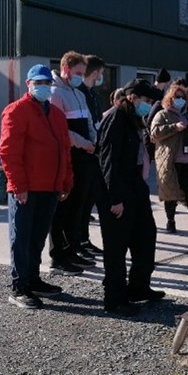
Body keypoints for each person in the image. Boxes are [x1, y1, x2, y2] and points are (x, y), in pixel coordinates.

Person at [0, 64, 74, 309]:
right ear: (29, 84)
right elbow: (9, 152)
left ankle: (33, 278)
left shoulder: (57, 114)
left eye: (47, 83)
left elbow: (64, 150)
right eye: (38, 83)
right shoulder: (16, 111)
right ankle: (19, 286)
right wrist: (18, 184)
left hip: (50, 188)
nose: (43, 87)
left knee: (37, 237)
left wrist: (65, 181)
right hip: (26, 188)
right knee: (21, 237)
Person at [97, 78, 165, 316]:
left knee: (146, 237)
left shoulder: (134, 118)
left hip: (136, 185)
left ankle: (138, 288)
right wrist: (115, 199)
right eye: (145, 100)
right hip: (118, 190)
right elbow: (108, 161)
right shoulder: (116, 118)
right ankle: (114, 298)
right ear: (133, 97)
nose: (148, 105)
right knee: (116, 248)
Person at [48, 51, 97, 273]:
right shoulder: (54, 93)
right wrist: (83, 143)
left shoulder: (77, 92)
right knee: (63, 207)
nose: (80, 77)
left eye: (83, 73)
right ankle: (58, 255)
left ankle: (72, 250)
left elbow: (87, 120)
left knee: (78, 205)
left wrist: (93, 139)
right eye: (78, 72)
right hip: (68, 155)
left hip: (84, 155)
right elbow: (59, 130)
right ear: (65, 68)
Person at [150, 82, 188, 233]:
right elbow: (154, 133)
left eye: (183, 97)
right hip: (170, 161)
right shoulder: (163, 114)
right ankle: (170, 221)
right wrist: (174, 127)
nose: (180, 100)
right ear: (170, 98)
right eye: (177, 97)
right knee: (171, 192)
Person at [77, 54, 107, 256]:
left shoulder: (92, 93)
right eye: (101, 73)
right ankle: (77, 241)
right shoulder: (79, 93)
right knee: (79, 203)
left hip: (95, 152)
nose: (101, 77)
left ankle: (84, 239)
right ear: (95, 72)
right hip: (82, 153)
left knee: (88, 202)